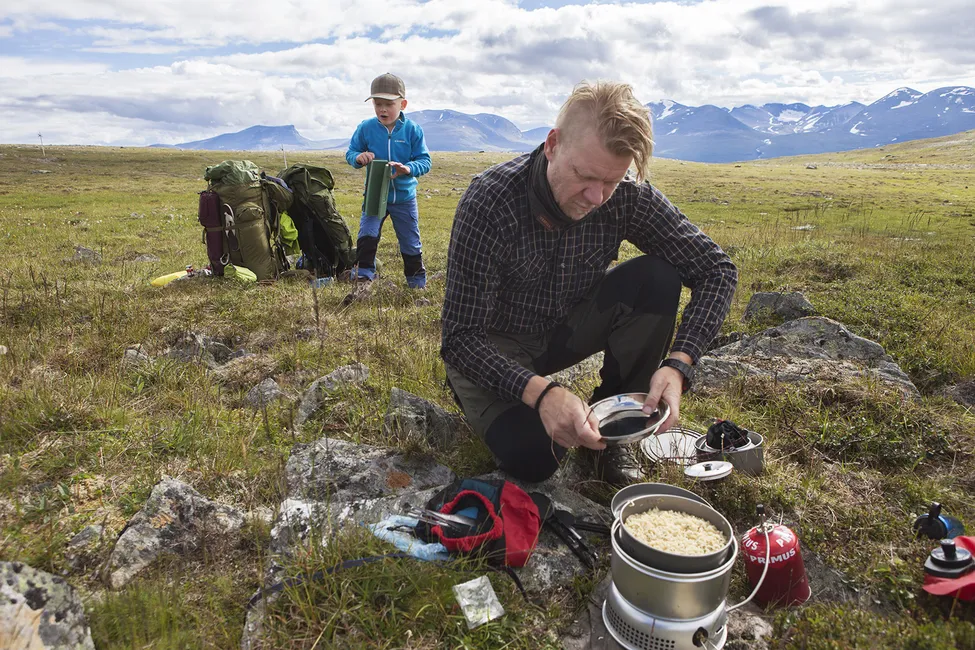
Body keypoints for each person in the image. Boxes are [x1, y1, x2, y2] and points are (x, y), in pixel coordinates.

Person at [440, 81, 738, 485]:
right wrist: (542, 393)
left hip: (563, 329)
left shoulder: (627, 198)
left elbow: (717, 269)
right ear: (553, 144)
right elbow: (460, 339)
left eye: (612, 181)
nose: (597, 197)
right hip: (493, 348)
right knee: (538, 456)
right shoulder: (490, 202)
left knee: (656, 278)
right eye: (585, 176)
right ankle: (502, 405)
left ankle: (617, 436)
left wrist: (679, 364)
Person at [345, 73, 432, 288]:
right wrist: (358, 158)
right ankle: (364, 275)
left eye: (388, 104)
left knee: (410, 240)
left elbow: (425, 161)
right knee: (367, 234)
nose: (382, 109)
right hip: (375, 193)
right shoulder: (365, 128)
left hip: (404, 197)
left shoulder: (413, 130)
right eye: (377, 103)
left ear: (402, 104)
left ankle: (416, 281)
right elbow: (351, 152)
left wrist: (408, 169)